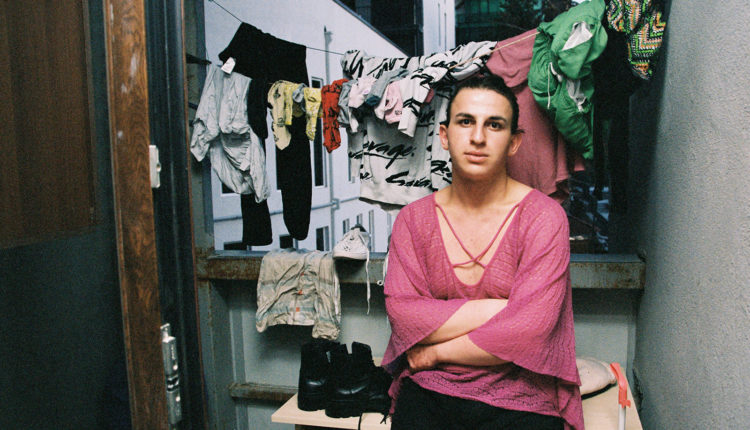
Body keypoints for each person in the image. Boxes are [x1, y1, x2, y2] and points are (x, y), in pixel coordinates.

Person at [382, 75, 583, 430]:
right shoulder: (413, 220)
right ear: (444, 136)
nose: (477, 137)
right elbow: (404, 317)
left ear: (514, 143)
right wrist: (502, 308)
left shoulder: (543, 217)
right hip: (429, 391)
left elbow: (530, 333)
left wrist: (435, 352)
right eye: (465, 121)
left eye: (494, 125)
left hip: (523, 397)